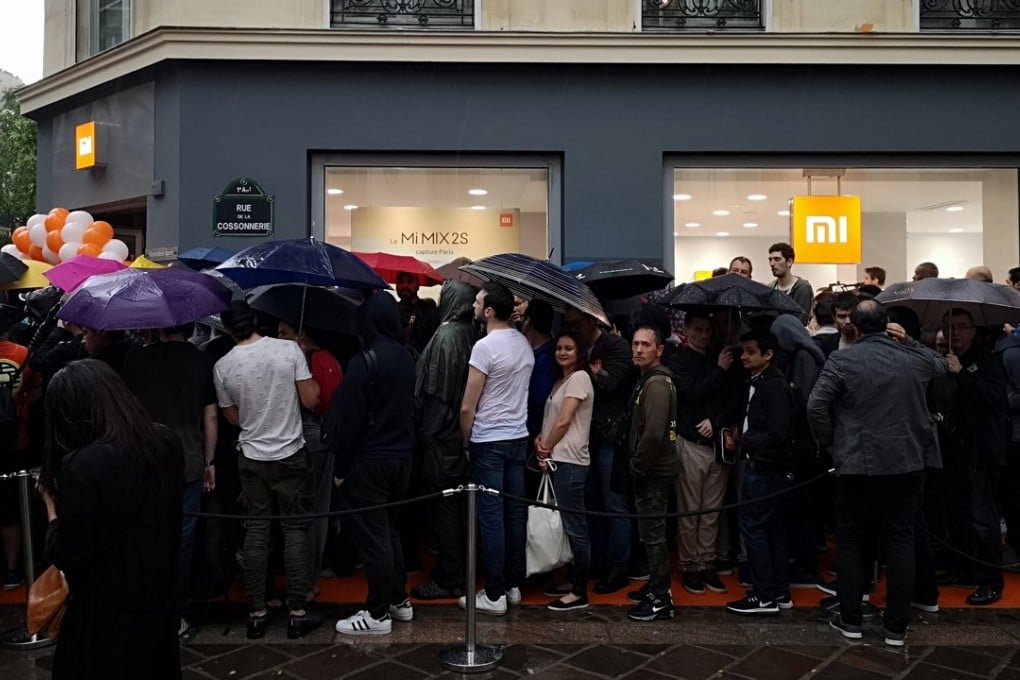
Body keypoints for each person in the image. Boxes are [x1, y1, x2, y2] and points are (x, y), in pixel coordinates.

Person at [808, 300, 947, 647]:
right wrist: (910, 342)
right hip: (905, 463)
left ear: (853, 325)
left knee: (851, 540)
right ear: (887, 324)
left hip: (856, 462)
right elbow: (942, 367)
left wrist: (830, 443)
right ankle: (896, 628)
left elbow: (816, 406)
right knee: (901, 540)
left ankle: (852, 619)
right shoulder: (914, 359)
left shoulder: (842, 359)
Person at [38, 359, 183, 680]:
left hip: (104, 618)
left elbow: (70, 554)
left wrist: (51, 509)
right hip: (158, 603)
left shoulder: (83, 466)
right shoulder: (165, 443)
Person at [213, 300, 322, 639]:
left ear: (228, 329)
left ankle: (257, 613)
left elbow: (233, 418)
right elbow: (311, 400)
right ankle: (297, 612)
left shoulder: (222, 366)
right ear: (257, 320)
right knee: (294, 529)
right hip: (290, 452)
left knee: (256, 531)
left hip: (251, 456)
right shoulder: (288, 350)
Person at [329, 293, 417, 635]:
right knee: (389, 531)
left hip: (370, 461)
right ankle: (398, 600)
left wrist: (340, 469)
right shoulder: (406, 357)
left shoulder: (364, 360)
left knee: (374, 537)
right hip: (402, 458)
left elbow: (349, 421)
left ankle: (378, 613)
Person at [122, 323, 218, 636]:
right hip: (188, 457)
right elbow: (211, 416)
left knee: (144, 533)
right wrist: (210, 460)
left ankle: (146, 607)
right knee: (183, 539)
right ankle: (177, 613)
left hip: (144, 456)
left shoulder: (137, 359)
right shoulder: (201, 362)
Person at [459, 282, 534, 616]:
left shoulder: (485, 347)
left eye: (477, 302)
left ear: (489, 311)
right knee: (514, 513)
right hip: (518, 436)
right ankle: (513, 585)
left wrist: (465, 440)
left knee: (490, 517)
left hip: (488, 439)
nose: (474, 306)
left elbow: (467, 407)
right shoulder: (524, 343)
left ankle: (493, 593)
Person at [412, 280, 478, 600]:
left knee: (447, 512)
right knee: (457, 510)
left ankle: (448, 576)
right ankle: (456, 569)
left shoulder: (447, 336)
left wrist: (424, 433)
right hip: (460, 437)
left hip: (443, 440)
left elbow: (437, 396)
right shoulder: (470, 333)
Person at [565, 306, 637, 593]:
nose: (573, 329)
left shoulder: (615, 345)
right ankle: (597, 561)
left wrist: (594, 372)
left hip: (610, 434)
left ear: (590, 319)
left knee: (614, 503)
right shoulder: (582, 346)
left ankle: (619, 566)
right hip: (589, 435)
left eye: (575, 324)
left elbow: (612, 382)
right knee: (592, 502)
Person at [940, 308, 1009, 606]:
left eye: (962, 327)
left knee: (983, 519)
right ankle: (964, 568)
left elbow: (995, 399)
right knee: (957, 515)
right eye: (951, 327)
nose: (956, 333)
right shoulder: (944, 359)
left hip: (981, 450)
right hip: (954, 449)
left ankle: (991, 581)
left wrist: (962, 375)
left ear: (972, 330)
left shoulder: (987, 359)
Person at [725, 329, 794, 616]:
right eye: (743, 351)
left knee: (754, 527)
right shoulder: (760, 382)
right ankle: (777, 591)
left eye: (750, 351)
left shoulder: (773, 386)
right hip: (766, 467)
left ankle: (765, 594)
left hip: (766, 469)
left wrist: (747, 440)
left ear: (768, 355)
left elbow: (779, 433)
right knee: (772, 529)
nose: (744, 356)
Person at [276, 321, 344, 601]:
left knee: (304, 510)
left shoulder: (304, 360)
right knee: (317, 508)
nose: (277, 338)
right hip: (324, 437)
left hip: (305, 436)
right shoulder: (329, 359)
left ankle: (302, 579)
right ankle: (307, 576)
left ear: (300, 333)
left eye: (283, 333)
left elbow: (313, 400)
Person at [668, 312, 732, 596]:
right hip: (691, 442)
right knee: (690, 510)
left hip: (717, 444)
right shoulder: (678, 361)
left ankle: (707, 563)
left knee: (711, 512)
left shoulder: (719, 358)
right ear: (686, 330)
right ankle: (690, 565)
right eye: (698, 329)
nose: (704, 335)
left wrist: (716, 421)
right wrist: (718, 370)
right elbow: (691, 394)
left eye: (708, 330)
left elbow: (732, 399)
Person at [535, 330, 595, 611]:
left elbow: (564, 421)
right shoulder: (561, 380)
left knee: (576, 528)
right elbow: (551, 420)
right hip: (557, 458)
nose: (562, 352)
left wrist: (545, 447)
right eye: (559, 347)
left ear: (579, 352)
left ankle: (580, 591)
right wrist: (540, 441)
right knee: (567, 527)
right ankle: (571, 580)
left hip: (570, 461)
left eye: (569, 348)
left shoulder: (580, 378)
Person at [625, 326, 681, 622]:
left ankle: (661, 598)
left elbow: (654, 433)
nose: (638, 349)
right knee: (650, 535)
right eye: (635, 344)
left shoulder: (657, 384)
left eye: (646, 344)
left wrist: (638, 465)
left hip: (654, 471)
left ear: (659, 349)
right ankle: (656, 587)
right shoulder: (650, 379)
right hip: (653, 468)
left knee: (654, 535)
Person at [396, 271, 440, 356]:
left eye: (410, 281)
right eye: (401, 281)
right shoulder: (390, 311)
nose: (405, 285)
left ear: (418, 285)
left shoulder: (429, 312)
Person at [767, 243, 813, 325]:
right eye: (770, 260)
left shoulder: (803, 288)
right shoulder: (769, 288)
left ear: (789, 262)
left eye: (777, 259)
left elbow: (801, 321)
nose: (772, 264)